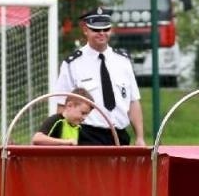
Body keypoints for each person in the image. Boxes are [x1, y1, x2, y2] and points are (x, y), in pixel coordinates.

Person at [53, 8, 143, 145]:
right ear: (85, 30)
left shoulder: (123, 61)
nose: (101, 33)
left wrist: (140, 137)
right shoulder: (72, 63)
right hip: (87, 134)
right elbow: (61, 104)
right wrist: (60, 140)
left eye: (106, 29)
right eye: (96, 30)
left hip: (119, 135)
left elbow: (133, 101)